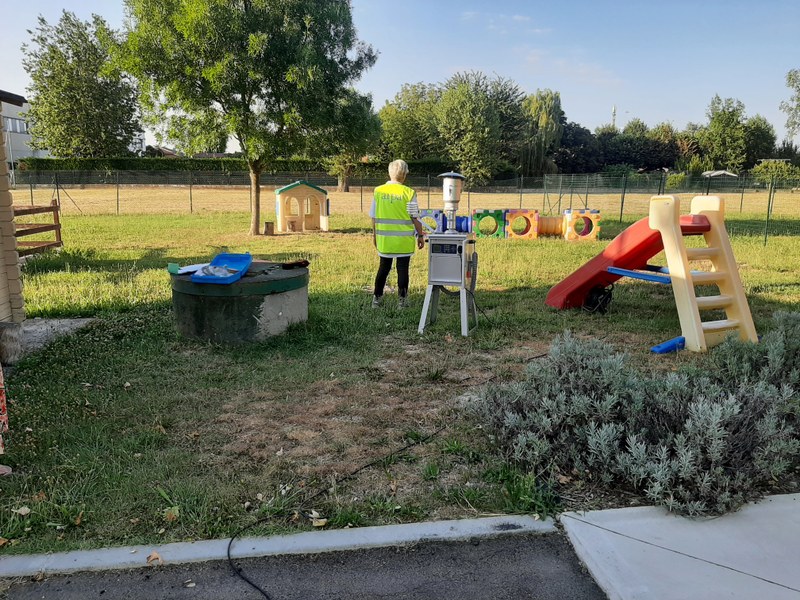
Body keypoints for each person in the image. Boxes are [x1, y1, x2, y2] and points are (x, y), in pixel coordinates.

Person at [370, 160, 425, 308]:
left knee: (383, 268)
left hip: (384, 240)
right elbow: (415, 218)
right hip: (403, 241)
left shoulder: (378, 191)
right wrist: (420, 236)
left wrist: (374, 236)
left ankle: (377, 299)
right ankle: (402, 301)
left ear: (389, 173)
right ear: (405, 174)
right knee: (402, 269)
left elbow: (373, 217)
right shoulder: (409, 192)